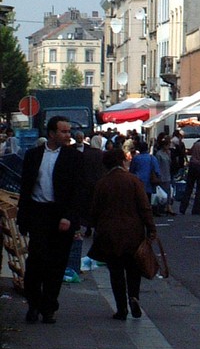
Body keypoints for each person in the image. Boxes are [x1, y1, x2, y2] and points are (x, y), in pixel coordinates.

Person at [16, 115, 86, 324]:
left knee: (56, 265)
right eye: (64, 132)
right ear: (52, 133)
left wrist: (69, 217)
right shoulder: (33, 155)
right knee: (36, 262)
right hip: (38, 213)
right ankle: (33, 304)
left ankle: (49, 307)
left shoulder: (73, 157)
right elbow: (25, 188)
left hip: (60, 216)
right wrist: (23, 217)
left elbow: (78, 191)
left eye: (69, 131)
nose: (68, 135)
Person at [88, 147, 157, 320]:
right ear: (121, 161)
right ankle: (134, 297)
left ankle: (121, 309)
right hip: (133, 233)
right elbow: (144, 207)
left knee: (116, 272)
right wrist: (151, 228)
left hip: (110, 234)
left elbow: (94, 210)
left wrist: (95, 227)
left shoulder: (102, 183)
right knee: (133, 269)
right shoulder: (133, 180)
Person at [154, 132, 174, 214]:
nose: (169, 146)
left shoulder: (168, 153)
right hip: (161, 175)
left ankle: (168, 207)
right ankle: (161, 207)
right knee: (161, 193)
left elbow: (170, 163)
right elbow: (157, 165)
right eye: (168, 145)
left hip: (167, 174)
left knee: (168, 192)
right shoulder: (159, 154)